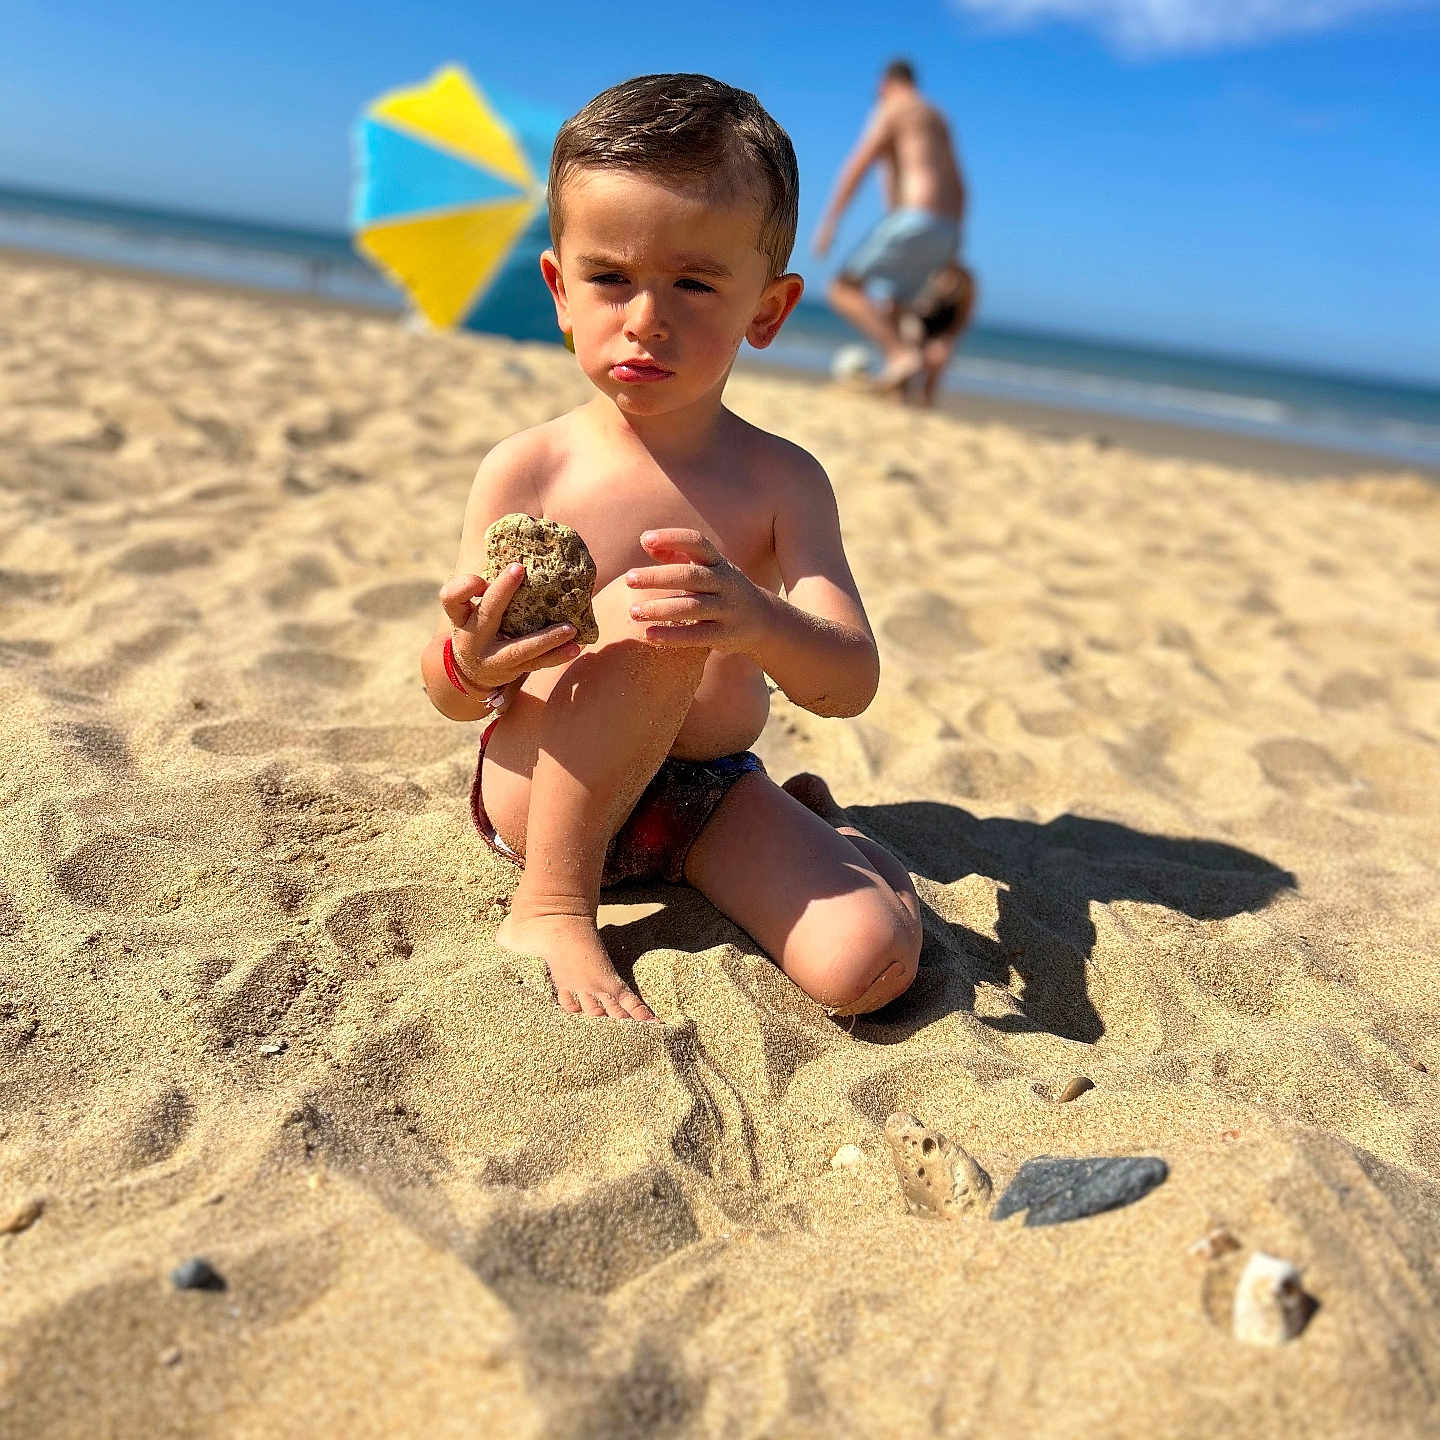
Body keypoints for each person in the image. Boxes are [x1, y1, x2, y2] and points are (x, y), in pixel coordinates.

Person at [420, 75, 923, 1024]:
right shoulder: (529, 469)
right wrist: (471, 660)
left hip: (703, 803)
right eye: (611, 278)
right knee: (655, 612)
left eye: (694, 284)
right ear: (560, 290)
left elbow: (847, 680)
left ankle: (842, 839)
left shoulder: (783, 482)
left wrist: (757, 617)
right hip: (541, 799)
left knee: (869, 966)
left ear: (765, 313)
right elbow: (451, 694)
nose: (647, 319)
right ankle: (553, 908)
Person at [813, 59, 970, 391]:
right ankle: (902, 390)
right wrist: (954, 244)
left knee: (843, 289)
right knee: (897, 304)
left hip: (915, 218)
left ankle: (900, 355)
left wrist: (829, 223)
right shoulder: (937, 117)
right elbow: (960, 184)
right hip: (947, 228)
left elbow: (858, 165)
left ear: (885, 83)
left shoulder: (894, 106)